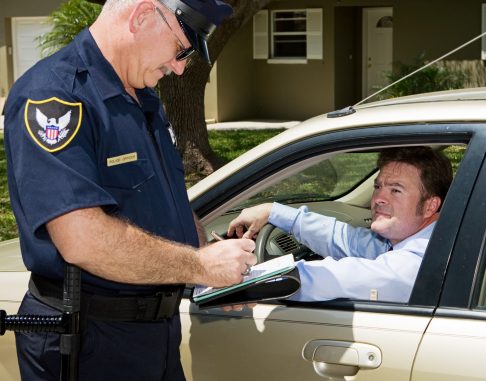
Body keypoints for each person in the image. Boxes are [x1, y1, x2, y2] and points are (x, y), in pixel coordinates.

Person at [3, 0, 256, 379]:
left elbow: (164, 197)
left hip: (154, 335)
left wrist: (208, 258)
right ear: (142, 16)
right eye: (181, 48)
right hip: (89, 341)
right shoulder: (57, 97)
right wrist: (200, 266)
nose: (180, 66)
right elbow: (81, 239)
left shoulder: (144, 98)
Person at [228, 147, 453, 303]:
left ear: (429, 206)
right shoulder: (422, 238)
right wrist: (272, 212)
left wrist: (239, 273)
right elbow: (347, 240)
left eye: (395, 190)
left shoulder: (415, 263)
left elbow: (328, 279)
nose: (378, 199)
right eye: (378, 187)